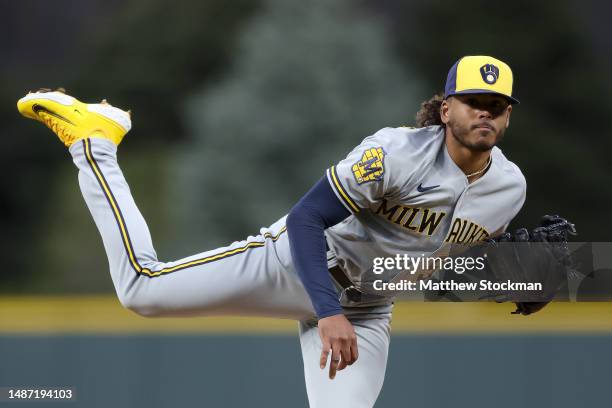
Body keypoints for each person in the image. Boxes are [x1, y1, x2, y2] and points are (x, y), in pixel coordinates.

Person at [17, 55, 525, 408]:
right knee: (141, 290)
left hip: (368, 309)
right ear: (445, 109)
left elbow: (442, 265)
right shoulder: (395, 153)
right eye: (473, 99)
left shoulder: (508, 188)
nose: (484, 110)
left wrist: (523, 282)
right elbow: (307, 217)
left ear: (506, 118)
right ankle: (95, 140)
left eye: (496, 104)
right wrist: (327, 311)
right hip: (296, 267)